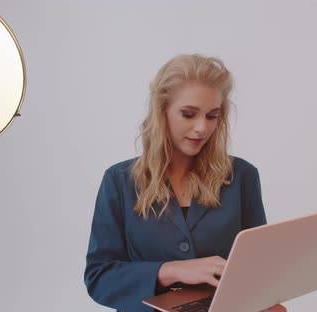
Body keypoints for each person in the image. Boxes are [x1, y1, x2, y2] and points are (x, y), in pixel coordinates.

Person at [84, 54, 287, 312]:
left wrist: (265, 300)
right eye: (188, 114)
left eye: (212, 116)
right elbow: (99, 278)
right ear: (162, 111)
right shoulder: (119, 180)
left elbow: (257, 268)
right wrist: (171, 270)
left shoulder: (242, 176)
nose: (202, 128)